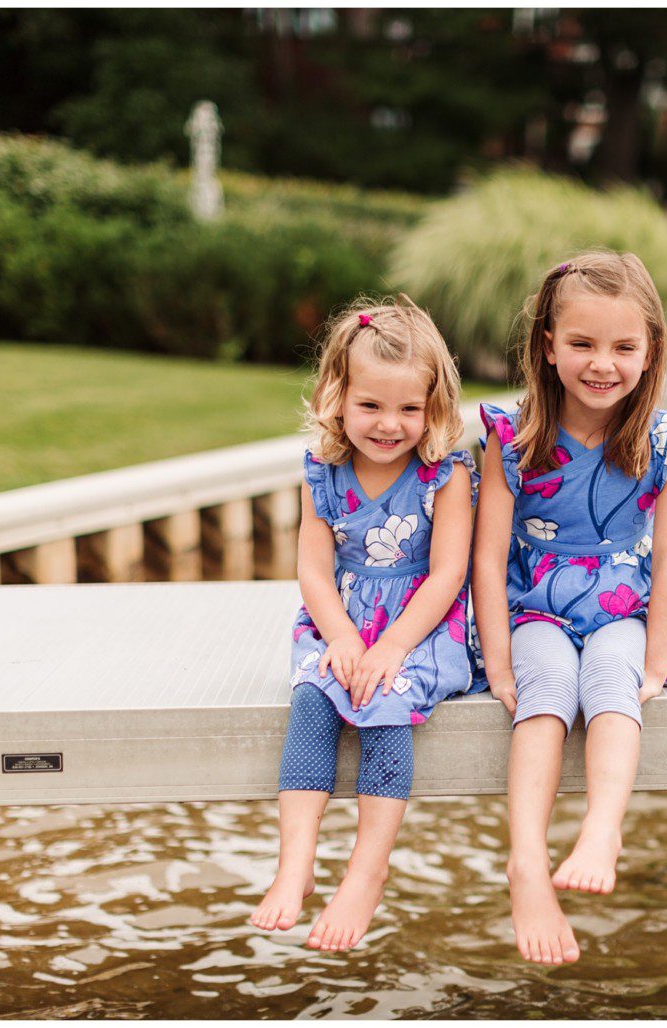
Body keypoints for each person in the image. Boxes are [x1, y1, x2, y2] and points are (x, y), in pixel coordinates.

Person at [473, 250, 667, 966]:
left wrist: (656, 664)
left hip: (621, 607)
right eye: (582, 344)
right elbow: (485, 556)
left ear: (650, 351)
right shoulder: (512, 439)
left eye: (623, 347)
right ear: (548, 345)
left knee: (609, 684)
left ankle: (603, 826)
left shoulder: (665, 441)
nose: (603, 364)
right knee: (546, 693)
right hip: (534, 606)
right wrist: (498, 662)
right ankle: (527, 865)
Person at [250, 298, 482, 951]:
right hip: (341, 622)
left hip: (420, 627)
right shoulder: (323, 475)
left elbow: (447, 575)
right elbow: (314, 573)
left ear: (434, 407)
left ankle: (365, 871)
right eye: (371, 406)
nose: (389, 425)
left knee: (386, 701)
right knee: (312, 701)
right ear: (337, 397)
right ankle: (294, 864)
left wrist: (391, 647)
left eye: (410, 409)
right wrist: (346, 640)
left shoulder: (446, 477)